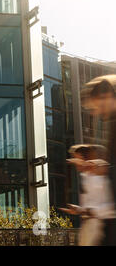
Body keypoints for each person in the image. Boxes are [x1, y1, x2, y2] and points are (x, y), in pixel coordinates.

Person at [76, 75, 116, 245]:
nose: (95, 112)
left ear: (106, 97)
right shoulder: (111, 122)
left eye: (96, 106)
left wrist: (105, 169)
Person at [61, 144, 115, 246]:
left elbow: (110, 207)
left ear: (84, 158)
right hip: (87, 224)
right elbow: (90, 204)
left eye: (76, 158)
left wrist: (90, 211)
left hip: (100, 225)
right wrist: (79, 210)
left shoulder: (101, 176)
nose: (74, 161)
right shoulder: (86, 177)